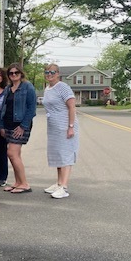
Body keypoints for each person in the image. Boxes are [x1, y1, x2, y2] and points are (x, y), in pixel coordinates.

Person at [42, 64, 79, 199]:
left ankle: (64, 186)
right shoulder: (48, 88)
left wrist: (70, 126)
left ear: (58, 74)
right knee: (57, 154)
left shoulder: (63, 87)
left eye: (52, 72)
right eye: (47, 72)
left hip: (65, 125)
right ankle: (58, 183)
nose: (49, 74)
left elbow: (72, 106)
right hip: (53, 127)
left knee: (65, 155)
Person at [0, 62, 37, 194]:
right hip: (8, 124)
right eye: (11, 73)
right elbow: (4, 108)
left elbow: (32, 109)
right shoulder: (8, 88)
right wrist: (2, 126)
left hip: (20, 125)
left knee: (12, 153)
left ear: (21, 73)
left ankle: (25, 184)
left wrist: (23, 126)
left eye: (16, 72)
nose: (14, 75)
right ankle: (17, 182)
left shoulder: (28, 87)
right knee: (15, 155)